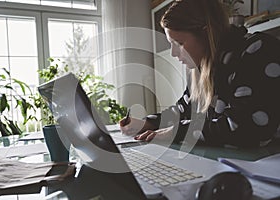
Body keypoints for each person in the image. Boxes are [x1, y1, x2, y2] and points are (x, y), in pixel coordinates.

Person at [120, 0, 280, 147]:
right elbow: (182, 110)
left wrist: (177, 132)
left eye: (179, 43)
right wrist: (148, 123)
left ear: (206, 33)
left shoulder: (258, 51)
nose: (174, 53)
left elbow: (246, 128)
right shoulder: (202, 67)